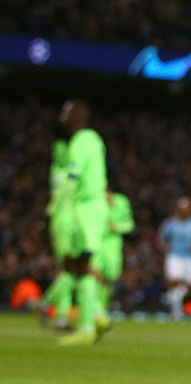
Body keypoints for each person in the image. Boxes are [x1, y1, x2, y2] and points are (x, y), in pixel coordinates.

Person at [56, 100, 111, 346]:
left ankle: (89, 325)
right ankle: (96, 317)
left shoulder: (80, 141)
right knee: (80, 265)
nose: (62, 116)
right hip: (93, 207)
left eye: (66, 112)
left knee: (79, 265)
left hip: (85, 208)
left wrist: (58, 209)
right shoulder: (94, 140)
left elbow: (73, 177)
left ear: (77, 116)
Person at [39, 135, 77, 330]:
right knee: (69, 271)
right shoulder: (63, 173)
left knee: (69, 273)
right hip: (65, 223)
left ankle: (55, 311)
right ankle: (49, 306)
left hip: (65, 222)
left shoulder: (57, 172)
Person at [158, 197, 191, 320]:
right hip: (175, 256)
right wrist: (165, 249)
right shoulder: (171, 223)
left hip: (190, 257)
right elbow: (161, 238)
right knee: (175, 280)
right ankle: (176, 312)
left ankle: (169, 298)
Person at [99, 187, 136, 319]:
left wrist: (115, 226)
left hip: (112, 248)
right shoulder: (93, 202)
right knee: (94, 277)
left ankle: (101, 310)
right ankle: (97, 311)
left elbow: (129, 224)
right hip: (94, 245)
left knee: (108, 278)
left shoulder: (120, 201)